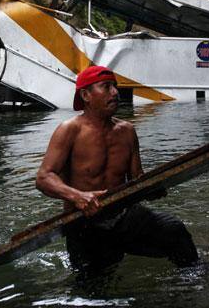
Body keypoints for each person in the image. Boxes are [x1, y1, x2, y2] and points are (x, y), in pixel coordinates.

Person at [36, 65, 198, 274]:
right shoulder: (69, 130)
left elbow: (136, 180)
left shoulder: (127, 131)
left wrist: (153, 189)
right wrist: (78, 197)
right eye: (106, 87)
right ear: (86, 95)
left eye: (115, 86)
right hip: (85, 224)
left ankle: (195, 284)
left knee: (175, 231)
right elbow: (43, 178)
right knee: (92, 286)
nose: (115, 92)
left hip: (125, 216)